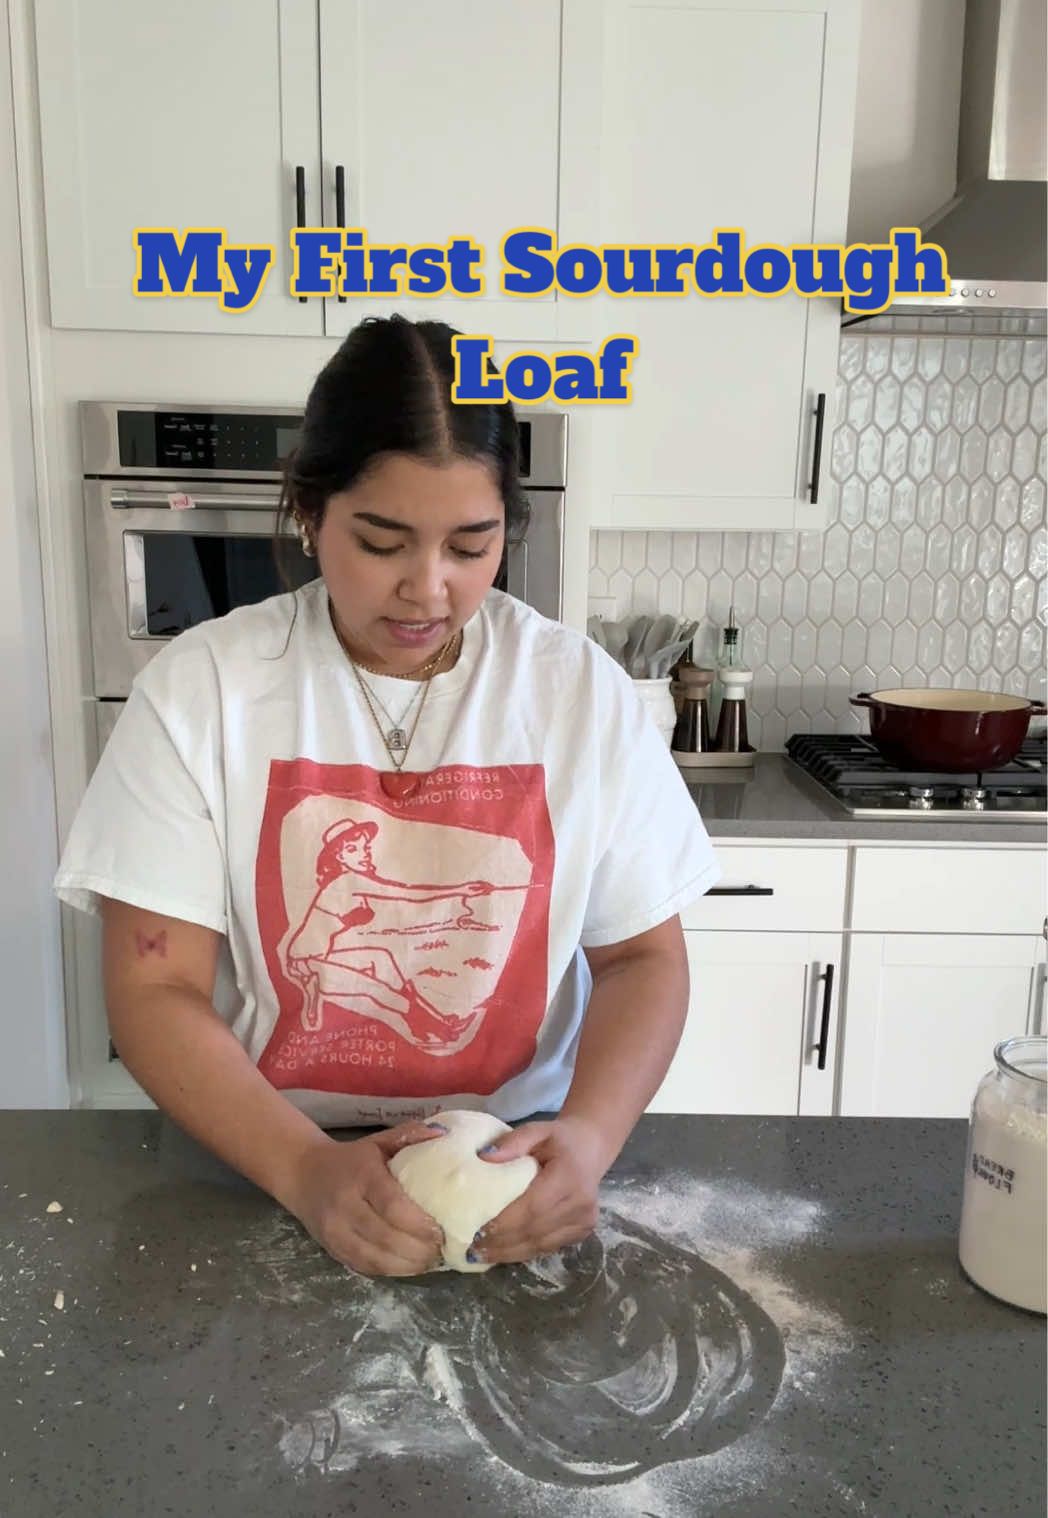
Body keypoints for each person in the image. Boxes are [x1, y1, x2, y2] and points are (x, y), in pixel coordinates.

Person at [54, 315, 720, 1279]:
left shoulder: (575, 694)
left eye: (471, 545)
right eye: (382, 541)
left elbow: (642, 960)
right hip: (259, 1157)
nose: (429, 589)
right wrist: (304, 1170)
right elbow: (154, 988)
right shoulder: (205, 691)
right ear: (309, 512)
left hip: (512, 1170)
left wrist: (590, 1138)